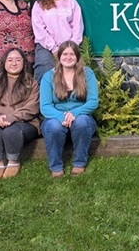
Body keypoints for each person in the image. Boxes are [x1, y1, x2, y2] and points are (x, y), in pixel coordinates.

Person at [0, 48, 40, 180]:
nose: (14, 63)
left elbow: (32, 107)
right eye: (10, 60)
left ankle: (13, 162)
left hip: (25, 123)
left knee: (11, 132)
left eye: (18, 60)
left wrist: (11, 118)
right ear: (4, 63)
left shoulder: (31, 84)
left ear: (24, 63)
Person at [40, 41, 98, 177]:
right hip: (55, 117)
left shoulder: (87, 74)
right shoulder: (48, 76)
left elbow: (93, 102)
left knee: (82, 122)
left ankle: (79, 163)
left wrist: (74, 113)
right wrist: (61, 117)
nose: (68, 57)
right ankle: (56, 166)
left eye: (72, 54)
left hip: (81, 115)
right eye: (65, 54)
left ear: (77, 57)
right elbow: (45, 106)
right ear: (59, 56)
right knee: (53, 127)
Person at [31, 0, 84, 83]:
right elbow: (39, 29)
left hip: (69, 45)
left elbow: (77, 27)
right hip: (45, 46)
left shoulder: (72, 3)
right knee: (45, 71)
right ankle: (44, 98)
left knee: (72, 76)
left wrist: (71, 47)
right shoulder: (39, 4)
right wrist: (54, 48)